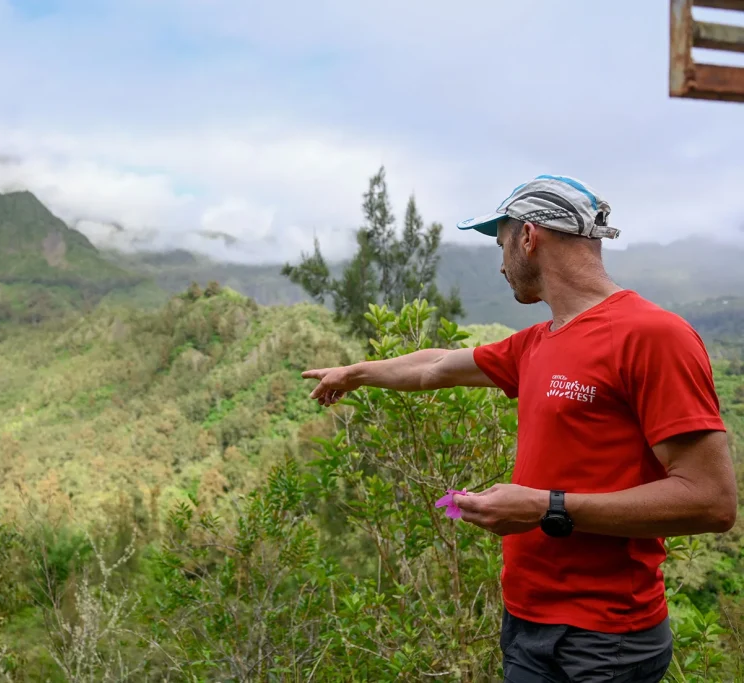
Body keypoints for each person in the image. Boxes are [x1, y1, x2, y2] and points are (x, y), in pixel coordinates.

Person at [301, 175, 738, 682]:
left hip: (606, 641)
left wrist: (544, 507)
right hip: (527, 625)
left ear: (528, 237)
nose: (500, 263)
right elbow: (435, 366)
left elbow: (711, 501)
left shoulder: (653, 336)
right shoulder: (536, 343)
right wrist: (355, 374)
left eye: (501, 242)